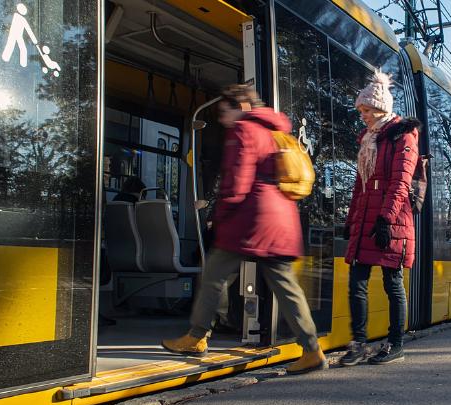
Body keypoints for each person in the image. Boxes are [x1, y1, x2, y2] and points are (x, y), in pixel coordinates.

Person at [161, 84, 326, 375]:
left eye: (225, 112)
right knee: (286, 286)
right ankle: (312, 349)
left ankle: (196, 337)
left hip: (249, 219)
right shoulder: (276, 132)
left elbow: (236, 184)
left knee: (212, 274)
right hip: (279, 219)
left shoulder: (243, 131)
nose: (223, 119)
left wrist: (218, 217)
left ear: (241, 107)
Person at [340, 70, 421, 366]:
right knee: (356, 283)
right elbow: (359, 185)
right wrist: (351, 220)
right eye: (360, 110)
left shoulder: (403, 136)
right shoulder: (367, 140)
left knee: (392, 283)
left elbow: (401, 182)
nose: (361, 115)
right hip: (366, 219)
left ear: (381, 108)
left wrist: (385, 219)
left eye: (366, 110)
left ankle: (395, 344)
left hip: (392, 220)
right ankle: (358, 343)